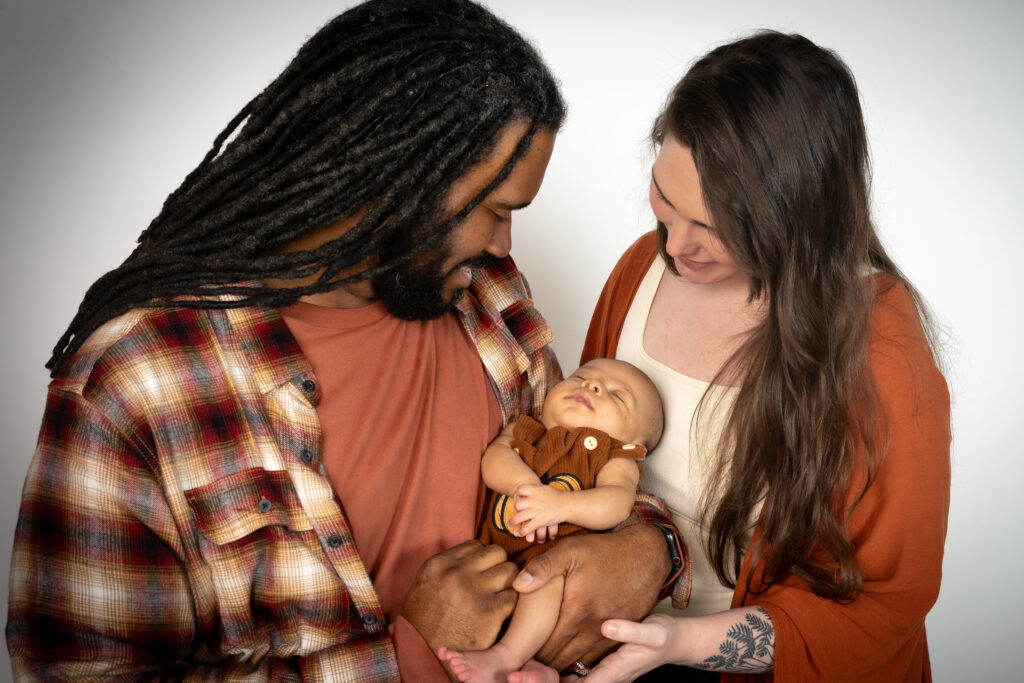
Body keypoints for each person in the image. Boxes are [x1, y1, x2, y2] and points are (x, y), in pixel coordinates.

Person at [5, 1, 681, 680]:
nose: (505, 244)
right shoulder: (135, 381)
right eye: (496, 211)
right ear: (398, 175)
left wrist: (649, 546)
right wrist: (406, 658)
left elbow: (583, 463)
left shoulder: (486, 292)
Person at [565, 31, 951, 682]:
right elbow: (584, 452)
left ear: (797, 218)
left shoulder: (881, 351)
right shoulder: (639, 267)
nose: (676, 246)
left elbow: (878, 612)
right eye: (666, 199)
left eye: (715, 227)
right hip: (610, 643)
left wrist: (675, 642)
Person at [439, 358, 664, 682]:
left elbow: (616, 503)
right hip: (496, 556)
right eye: (581, 377)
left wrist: (561, 505)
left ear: (636, 444)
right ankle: (534, 668)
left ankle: (508, 658)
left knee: (546, 580)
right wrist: (524, 487)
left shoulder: (614, 455)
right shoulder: (527, 429)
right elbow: (495, 459)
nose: (592, 385)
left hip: (554, 562)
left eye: (617, 396)